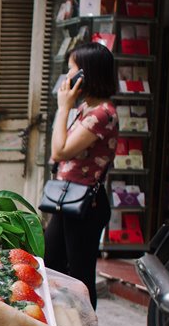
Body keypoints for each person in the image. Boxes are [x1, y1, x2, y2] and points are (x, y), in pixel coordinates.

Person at [44, 42, 118, 309]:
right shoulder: (86, 109)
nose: (67, 77)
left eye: (71, 69)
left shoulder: (103, 114)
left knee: (80, 277)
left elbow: (60, 150)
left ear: (86, 74)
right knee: (50, 264)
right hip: (67, 200)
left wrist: (63, 107)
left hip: (86, 205)